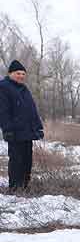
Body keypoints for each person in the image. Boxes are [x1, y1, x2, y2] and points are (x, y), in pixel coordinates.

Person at [0, 60, 44, 190]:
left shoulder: (24, 89)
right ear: (10, 73)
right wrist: (7, 129)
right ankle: (14, 188)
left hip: (27, 132)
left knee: (27, 161)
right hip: (14, 132)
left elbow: (32, 110)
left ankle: (25, 186)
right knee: (16, 161)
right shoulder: (3, 87)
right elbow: (3, 111)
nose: (21, 76)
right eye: (18, 73)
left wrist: (38, 127)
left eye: (23, 74)